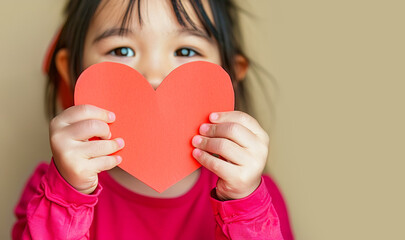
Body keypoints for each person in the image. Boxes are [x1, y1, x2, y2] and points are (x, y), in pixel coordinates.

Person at [12, 0, 294, 239]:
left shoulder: (258, 199)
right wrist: (67, 197)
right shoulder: (49, 192)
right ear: (72, 70)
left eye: (185, 51)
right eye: (121, 51)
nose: (154, 75)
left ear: (229, 75)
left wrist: (244, 208)